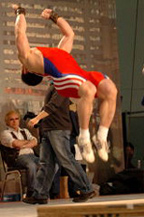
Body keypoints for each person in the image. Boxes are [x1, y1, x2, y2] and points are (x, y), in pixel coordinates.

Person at [13, 4, 117, 164]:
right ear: (26, 70)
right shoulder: (29, 59)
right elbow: (20, 32)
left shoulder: (58, 52)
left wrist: (54, 16)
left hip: (80, 74)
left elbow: (69, 34)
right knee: (88, 89)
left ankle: (101, 136)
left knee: (110, 90)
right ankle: (84, 138)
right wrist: (20, 12)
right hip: (63, 79)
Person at [23, 84, 95, 204]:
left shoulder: (62, 85)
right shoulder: (54, 85)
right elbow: (50, 107)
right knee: (46, 163)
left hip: (58, 128)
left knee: (66, 159)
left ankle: (86, 188)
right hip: (49, 129)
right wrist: (39, 120)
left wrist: (37, 119)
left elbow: (53, 106)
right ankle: (40, 194)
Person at [0, 110, 39, 198]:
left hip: (32, 156)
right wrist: (28, 142)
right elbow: (15, 144)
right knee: (31, 165)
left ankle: (43, 190)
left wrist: (23, 144)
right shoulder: (5, 133)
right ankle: (31, 192)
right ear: (7, 122)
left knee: (50, 165)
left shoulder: (25, 131)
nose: (14, 121)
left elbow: (35, 141)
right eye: (11, 119)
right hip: (18, 158)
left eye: (16, 119)